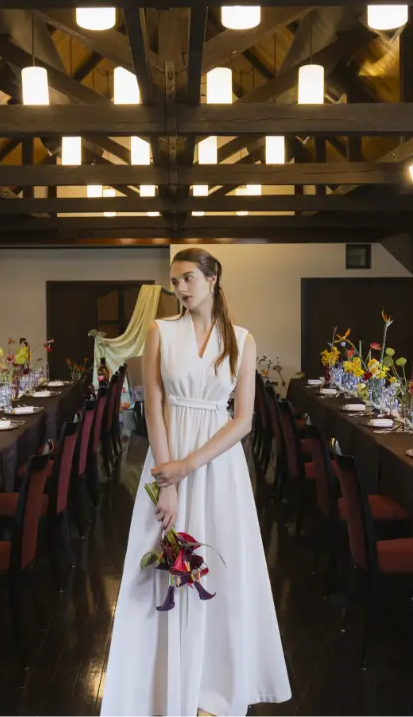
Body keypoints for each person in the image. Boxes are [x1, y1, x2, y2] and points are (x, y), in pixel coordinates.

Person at [100, 248, 291, 717]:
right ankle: (160, 686)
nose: (180, 289)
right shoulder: (160, 331)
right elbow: (153, 408)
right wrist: (170, 479)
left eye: (187, 278)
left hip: (219, 466)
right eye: (175, 282)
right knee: (161, 568)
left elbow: (243, 420)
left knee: (220, 568)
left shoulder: (241, 340)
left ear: (212, 278)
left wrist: (189, 465)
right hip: (166, 462)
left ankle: (215, 684)